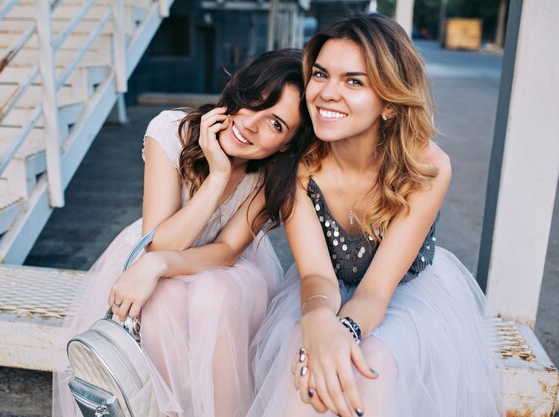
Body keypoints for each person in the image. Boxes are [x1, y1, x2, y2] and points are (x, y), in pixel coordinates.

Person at [247, 14, 504, 417]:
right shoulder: (297, 166)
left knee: (374, 362)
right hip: (323, 285)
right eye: (320, 74)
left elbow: (375, 292)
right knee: (303, 344)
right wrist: (317, 322)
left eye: (354, 81)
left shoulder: (426, 167)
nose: (327, 93)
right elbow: (315, 276)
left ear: (388, 102)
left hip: (403, 291)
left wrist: (343, 332)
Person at [53, 48, 310, 417]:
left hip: (221, 266)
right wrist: (218, 175)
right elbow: (160, 241)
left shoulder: (271, 173)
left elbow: (225, 251)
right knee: (162, 302)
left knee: (217, 293)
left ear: (286, 144)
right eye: (255, 102)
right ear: (240, 90)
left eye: (276, 124)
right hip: (158, 243)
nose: (252, 124)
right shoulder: (171, 130)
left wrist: (157, 264)